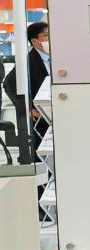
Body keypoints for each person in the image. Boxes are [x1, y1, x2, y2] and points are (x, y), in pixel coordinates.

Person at [2, 21, 51, 154]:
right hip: (40, 121)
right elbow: (8, 83)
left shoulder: (54, 58)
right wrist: (26, 108)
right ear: (34, 41)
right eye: (47, 35)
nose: (51, 38)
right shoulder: (28, 62)